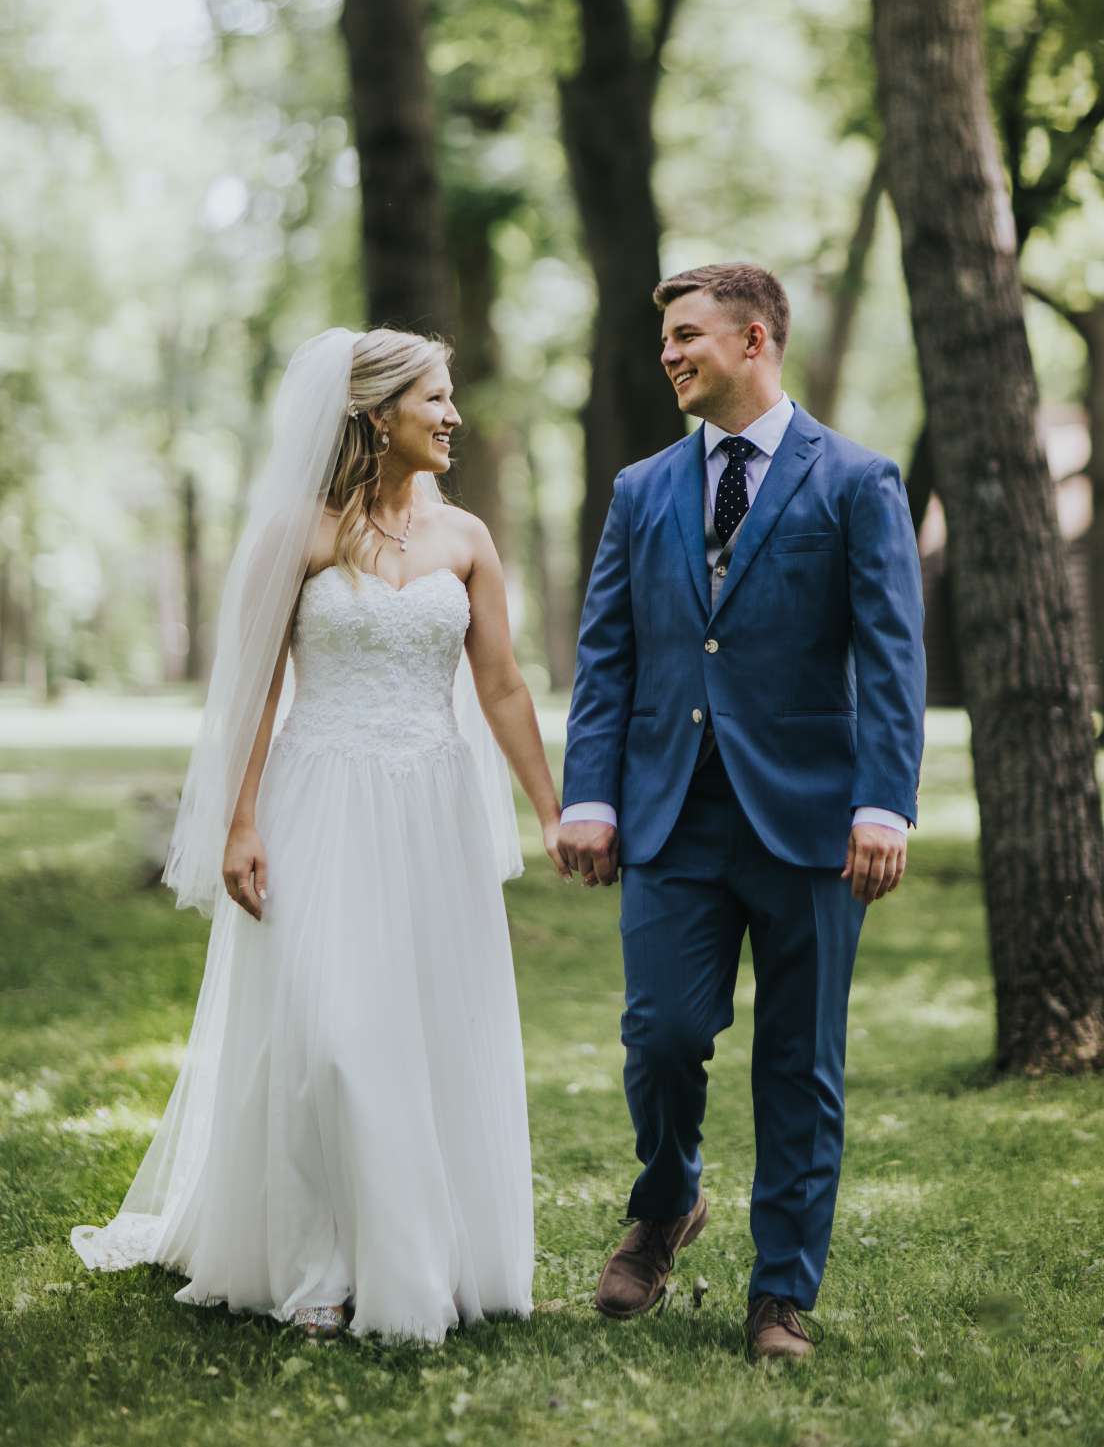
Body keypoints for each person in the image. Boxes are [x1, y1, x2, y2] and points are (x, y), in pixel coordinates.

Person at [72, 327, 562, 1341]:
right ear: (377, 414)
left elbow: (503, 684)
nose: (454, 413)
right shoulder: (296, 531)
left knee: (423, 1028)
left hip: (433, 806)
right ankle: (314, 1269)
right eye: (435, 396)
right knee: (327, 1034)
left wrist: (554, 810)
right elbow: (252, 686)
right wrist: (239, 818)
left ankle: (427, 1255)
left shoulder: (466, 536)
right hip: (317, 798)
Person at [557, 264, 926, 1364]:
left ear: (754, 337)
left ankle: (780, 1294)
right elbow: (607, 650)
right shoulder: (641, 488)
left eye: (687, 335)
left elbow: (893, 653)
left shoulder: (857, 479)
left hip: (814, 819)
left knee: (799, 1061)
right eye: (666, 337)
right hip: (672, 814)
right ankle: (667, 1199)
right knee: (662, 1034)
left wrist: (882, 801)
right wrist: (590, 790)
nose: (669, 352)